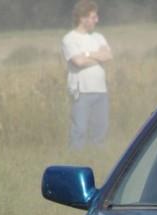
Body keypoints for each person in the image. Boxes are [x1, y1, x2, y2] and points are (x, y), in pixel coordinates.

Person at [61, 0, 112, 150]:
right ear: (82, 18)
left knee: (100, 129)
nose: (97, 20)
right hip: (81, 91)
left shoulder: (98, 37)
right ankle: (75, 159)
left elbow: (108, 56)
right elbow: (78, 62)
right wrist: (98, 58)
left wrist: (88, 54)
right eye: (93, 16)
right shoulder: (69, 39)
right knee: (80, 130)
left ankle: (97, 159)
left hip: (101, 91)